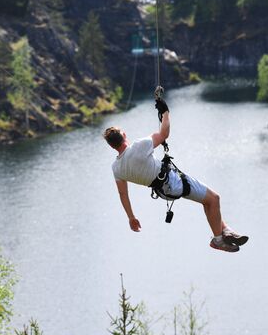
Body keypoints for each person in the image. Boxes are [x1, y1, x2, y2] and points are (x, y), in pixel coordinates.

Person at [103, 99, 249, 252]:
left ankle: (226, 230)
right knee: (214, 199)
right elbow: (164, 133)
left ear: (111, 146)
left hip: (164, 191)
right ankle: (218, 240)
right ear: (124, 135)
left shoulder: (117, 168)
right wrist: (165, 111)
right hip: (174, 182)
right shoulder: (138, 147)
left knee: (208, 200)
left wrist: (131, 217)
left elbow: (123, 194)